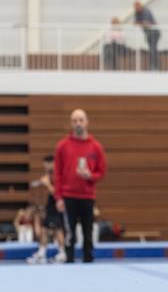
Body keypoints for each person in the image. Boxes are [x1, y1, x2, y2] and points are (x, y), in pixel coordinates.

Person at [54, 109, 107, 263]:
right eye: (75, 120)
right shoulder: (62, 146)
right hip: (68, 196)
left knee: (87, 232)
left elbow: (102, 172)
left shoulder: (95, 146)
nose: (78, 123)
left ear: (86, 122)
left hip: (87, 196)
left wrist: (90, 176)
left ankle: (88, 259)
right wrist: (58, 198)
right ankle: (69, 259)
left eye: (81, 120)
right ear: (71, 123)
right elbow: (57, 174)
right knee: (69, 233)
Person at [26, 155, 66, 264]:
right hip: (51, 204)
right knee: (44, 228)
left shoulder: (58, 175)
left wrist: (47, 184)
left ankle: (62, 253)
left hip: (57, 204)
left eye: (46, 165)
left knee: (58, 229)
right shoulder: (49, 174)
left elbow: (58, 193)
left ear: (52, 163)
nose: (45, 167)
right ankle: (42, 253)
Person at [134, 1, 161, 70]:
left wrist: (140, 23)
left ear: (140, 6)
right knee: (151, 49)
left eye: (137, 7)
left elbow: (146, 23)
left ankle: (155, 66)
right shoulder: (137, 13)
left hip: (154, 33)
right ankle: (153, 65)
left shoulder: (146, 11)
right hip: (148, 34)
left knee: (153, 49)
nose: (136, 8)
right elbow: (136, 23)